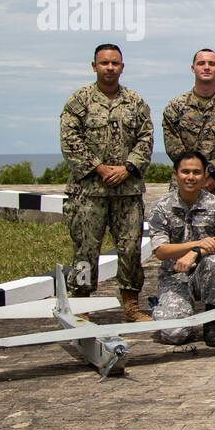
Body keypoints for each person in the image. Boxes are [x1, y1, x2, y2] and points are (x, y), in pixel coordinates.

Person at [59, 43, 153, 322]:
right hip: (89, 192)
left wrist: (127, 168)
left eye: (115, 63)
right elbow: (69, 139)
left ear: (122, 67)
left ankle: (131, 305)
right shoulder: (80, 101)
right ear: (94, 66)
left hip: (127, 191)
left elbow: (146, 139)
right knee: (86, 250)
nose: (110, 68)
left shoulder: (135, 102)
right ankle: (82, 306)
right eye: (104, 63)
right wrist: (99, 168)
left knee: (130, 249)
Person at [161, 48, 215, 308]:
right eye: (201, 63)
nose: (206, 67)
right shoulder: (175, 108)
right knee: (180, 238)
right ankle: (179, 288)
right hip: (185, 184)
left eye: (211, 64)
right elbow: (173, 147)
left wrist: (210, 174)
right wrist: (195, 175)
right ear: (193, 68)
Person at [148, 151, 215, 346]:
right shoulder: (161, 207)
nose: (190, 177)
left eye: (196, 172)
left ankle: (211, 320)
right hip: (174, 277)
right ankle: (160, 306)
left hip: (203, 273)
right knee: (175, 334)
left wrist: (197, 253)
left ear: (205, 175)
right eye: (185, 172)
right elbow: (161, 251)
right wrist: (196, 244)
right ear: (175, 174)